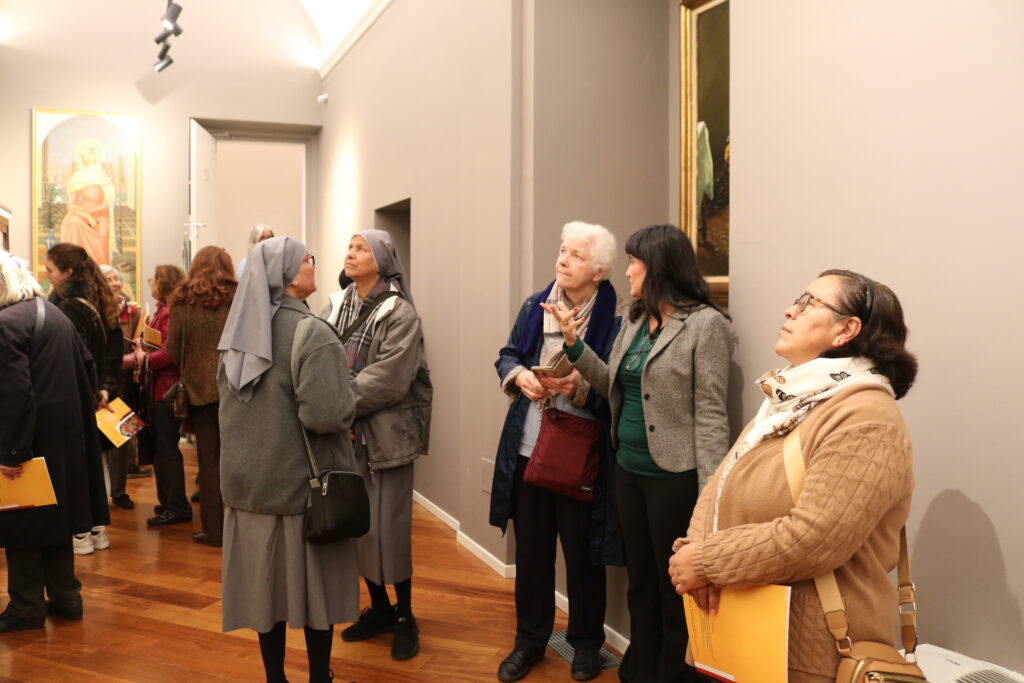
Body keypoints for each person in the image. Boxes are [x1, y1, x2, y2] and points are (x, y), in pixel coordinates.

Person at [668, 270, 918, 683]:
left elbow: (814, 538)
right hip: (740, 634)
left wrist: (706, 562)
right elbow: (721, 482)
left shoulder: (867, 417)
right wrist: (696, 552)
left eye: (807, 303)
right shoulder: (791, 402)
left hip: (808, 656)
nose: (790, 310)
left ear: (846, 330)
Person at [546, 224, 731, 683]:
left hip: (674, 478)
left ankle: (672, 672)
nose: (627, 271)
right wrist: (573, 344)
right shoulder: (633, 319)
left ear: (660, 268)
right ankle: (640, 667)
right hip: (626, 468)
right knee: (640, 580)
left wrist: (711, 496)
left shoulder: (706, 326)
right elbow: (609, 384)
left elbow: (711, 414)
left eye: (634, 263)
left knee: (673, 587)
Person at [218, 237, 359, 683]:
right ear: (288, 274)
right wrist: (350, 397)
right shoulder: (311, 332)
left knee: (266, 597)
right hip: (303, 492)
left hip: (249, 490)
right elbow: (327, 415)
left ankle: (275, 678)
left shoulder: (236, 334)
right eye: (307, 259)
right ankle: (319, 677)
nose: (313, 264)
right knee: (316, 596)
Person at [489, 221, 623, 683]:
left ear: (599, 272)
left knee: (584, 558)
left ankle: (586, 645)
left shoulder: (617, 319)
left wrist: (581, 388)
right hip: (528, 449)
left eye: (576, 255)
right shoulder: (535, 305)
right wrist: (521, 376)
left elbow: (621, 387)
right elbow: (507, 354)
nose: (563, 260)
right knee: (531, 556)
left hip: (582, 458)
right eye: (563, 250)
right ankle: (529, 642)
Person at [321, 229, 431, 662]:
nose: (351, 253)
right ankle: (381, 608)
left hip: (385, 438)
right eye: (350, 247)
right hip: (344, 437)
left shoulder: (400, 313)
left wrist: (336, 403)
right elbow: (320, 359)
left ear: (382, 260)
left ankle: (405, 615)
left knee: (390, 531)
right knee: (359, 528)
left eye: (361, 248)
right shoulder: (335, 305)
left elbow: (390, 378)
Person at [0, 250, 109, 632]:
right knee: (57, 522)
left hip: (30, 441)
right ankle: (66, 598)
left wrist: (11, 451)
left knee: (22, 523)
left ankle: (26, 607)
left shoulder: (7, 323)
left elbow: (14, 394)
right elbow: (88, 370)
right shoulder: (53, 313)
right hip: (66, 439)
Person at [45, 243, 122, 555]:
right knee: (93, 462)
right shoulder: (97, 300)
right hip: (92, 394)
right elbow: (112, 350)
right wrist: (104, 388)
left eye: (50, 270)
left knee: (75, 466)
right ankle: (96, 529)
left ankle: (80, 533)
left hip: (74, 397)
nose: (47, 275)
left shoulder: (67, 307)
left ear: (68, 272)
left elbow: (74, 358)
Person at [167, 246, 238, 547]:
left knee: (209, 463)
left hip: (200, 391)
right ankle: (243, 527)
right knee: (239, 459)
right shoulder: (239, 296)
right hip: (238, 387)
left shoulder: (183, 299)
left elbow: (173, 350)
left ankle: (214, 530)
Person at [133, 265, 190, 527]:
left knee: (166, 449)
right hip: (161, 386)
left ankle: (176, 506)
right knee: (162, 448)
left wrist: (144, 357)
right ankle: (169, 501)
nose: (151, 284)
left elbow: (170, 353)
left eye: (153, 280)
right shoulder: (166, 310)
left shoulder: (169, 312)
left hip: (165, 389)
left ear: (164, 283)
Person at [100, 264, 152, 481]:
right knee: (104, 433)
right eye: (109, 279)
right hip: (105, 379)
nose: (115, 283)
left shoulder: (132, 310)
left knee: (125, 431)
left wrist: (138, 349)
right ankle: (108, 482)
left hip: (127, 381)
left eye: (117, 279)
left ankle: (123, 480)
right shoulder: (96, 310)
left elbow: (140, 337)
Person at [59, 138, 115, 265]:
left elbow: (105, 206)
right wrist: (87, 215)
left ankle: (98, 270)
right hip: (81, 214)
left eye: (89, 154)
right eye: (83, 156)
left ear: (96, 154)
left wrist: (91, 214)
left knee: (100, 237)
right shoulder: (77, 177)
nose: (87, 158)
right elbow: (71, 205)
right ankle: (75, 265)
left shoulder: (104, 178)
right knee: (73, 221)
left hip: (101, 216)